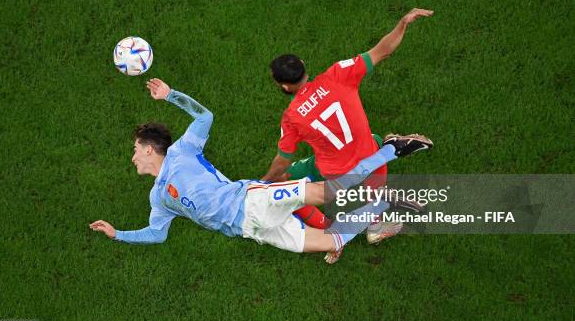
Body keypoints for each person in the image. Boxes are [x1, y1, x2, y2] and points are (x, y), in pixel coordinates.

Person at [90, 79, 431, 262]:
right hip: (251, 229)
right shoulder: (158, 198)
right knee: (331, 241)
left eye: (135, 149)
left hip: (252, 201)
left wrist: (171, 95)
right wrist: (118, 234)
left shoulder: (182, 151)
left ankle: (389, 150)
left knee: (326, 191)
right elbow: (157, 234)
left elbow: (204, 117)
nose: (132, 157)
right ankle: (381, 206)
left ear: (150, 148)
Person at [262, 8, 434, 245]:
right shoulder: (338, 74)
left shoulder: (291, 117)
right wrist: (403, 23)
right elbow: (382, 51)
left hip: (333, 173)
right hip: (368, 157)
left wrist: (265, 181)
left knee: (285, 183)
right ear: (303, 64)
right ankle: (376, 225)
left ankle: (326, 228)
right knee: (376, 145)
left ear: (283, 86)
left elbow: (283, 159)